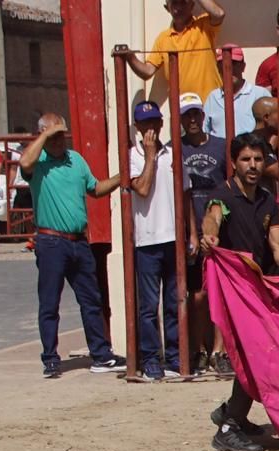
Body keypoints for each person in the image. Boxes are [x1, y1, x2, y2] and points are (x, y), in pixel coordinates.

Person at [199, 132, 279, 451]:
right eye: (246, 159)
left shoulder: (267, 199)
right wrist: (210, 237)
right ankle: (228, 428)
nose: (253, 165)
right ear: (233, 163)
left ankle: (231, 413)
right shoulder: (223, 195)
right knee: (253, 357)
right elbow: (212, 219)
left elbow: (276, 243)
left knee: (256, 356)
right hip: (235, 290)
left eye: (258, 159)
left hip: (258, 289)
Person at [21, 113, 124, 377]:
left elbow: (96, 188)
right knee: (49, 302)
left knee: (92, 300)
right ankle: (50, 358)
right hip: (51, 241)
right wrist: (44, 135)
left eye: (61, 136)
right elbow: (24, 161)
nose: (58, 141)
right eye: (53, 136)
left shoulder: (75, 159)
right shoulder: (38, 163)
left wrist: (121, 177)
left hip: (79, 242)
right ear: (42, 135)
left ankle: (101, 354)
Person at [128, 101, 182, 379]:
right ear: (137, 127)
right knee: (148, 307)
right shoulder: (132, 156)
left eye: (154, 122)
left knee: (174, 303)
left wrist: (192, 233)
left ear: (161, 124)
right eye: (145, 124)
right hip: (146, 240)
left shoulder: (174, 154)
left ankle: (175, 357)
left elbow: (184, 195)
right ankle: (151, 358)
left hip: (173, 238)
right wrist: (150, 156)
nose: (150, 128)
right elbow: (143, 188)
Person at [178, 93, 227, 373]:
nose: (193, 119)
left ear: (203, 116)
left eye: (196, 113)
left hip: (218, 229)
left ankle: (219, 351)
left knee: (219, 292)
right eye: (187, 115)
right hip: (190, 230)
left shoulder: (220, 147)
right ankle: (197, 349)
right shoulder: (176, 149)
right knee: (195, 295)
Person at [121, 0, 226, 101]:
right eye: (175, 3)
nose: (179, 7)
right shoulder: (163, 39)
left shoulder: (203, 25)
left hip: (211, 103)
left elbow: (219, 14)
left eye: (183, 2)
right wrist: (130, 57)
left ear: (192, 6)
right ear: (167, 8)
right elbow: (148, 71)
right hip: (183, 111)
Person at [205, 45, 257, 138]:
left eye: (234, 63)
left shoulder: (259, 95)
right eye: (224, 64)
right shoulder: (212, 97)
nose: (229, 68)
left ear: (243, 66)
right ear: (218, 68)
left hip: (251, 151)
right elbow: (205, 131)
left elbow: (274, 130)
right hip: (220, 152)